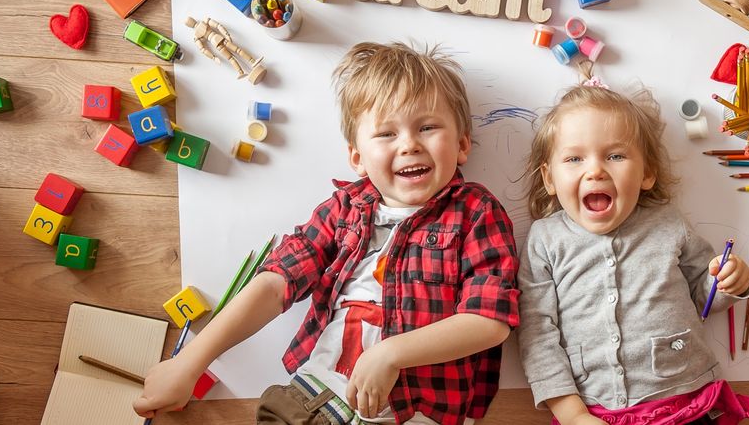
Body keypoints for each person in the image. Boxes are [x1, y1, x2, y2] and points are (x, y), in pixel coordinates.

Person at [134, 42, 521, 425]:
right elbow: (273, 285)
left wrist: (391, 354)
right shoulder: (343, 210)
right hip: (317, 398)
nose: (409, 144)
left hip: (419, 409)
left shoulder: (475, 212)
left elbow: (488, 320)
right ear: (357, 158)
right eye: (386, 134)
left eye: (428, 127)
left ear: (462, 144)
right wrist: (188, 364)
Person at [517, 74, 749, 425]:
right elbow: (537, 332)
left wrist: (729, 282)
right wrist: (570, 413)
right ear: (549, 179)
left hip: (684, 399)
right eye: (574, 160)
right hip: (593, 410)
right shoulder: (544, 239)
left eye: (615, 155)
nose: (596, 170)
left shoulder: (668, 223)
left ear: (647, 173)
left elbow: (704, 296)